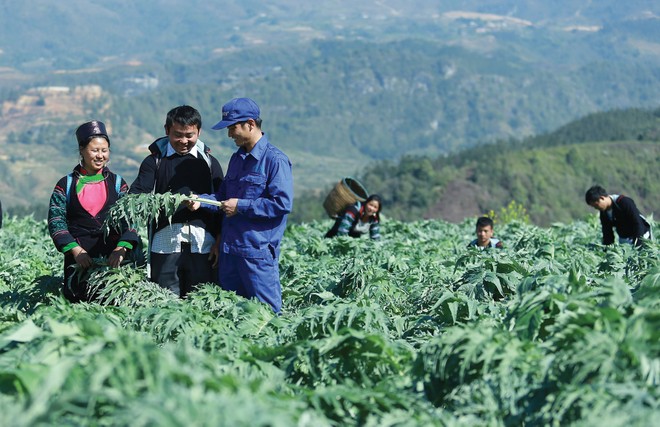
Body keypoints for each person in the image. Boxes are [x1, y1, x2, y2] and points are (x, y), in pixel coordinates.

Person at [187, 97, 293, 313]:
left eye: (233, 128)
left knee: (267, 316)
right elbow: (223, 197)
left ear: (250, 124)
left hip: (257, 254)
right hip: (230, 253)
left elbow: (281, 204)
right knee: (232, 314)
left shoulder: (275, 160)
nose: (229, 134)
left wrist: (241, 206)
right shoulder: (237, 159)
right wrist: (201, 201)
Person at [129, 105, 224, 298]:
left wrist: (220, 240)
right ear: (167, 131)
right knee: (165, 303)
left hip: (203, 244)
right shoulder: (153, 162)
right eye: (177, 135)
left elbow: (222, 202)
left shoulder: (210, 162)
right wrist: (170, 202)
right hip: (165, 243)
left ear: (199, 132)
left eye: (190, 135)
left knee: (201, 303)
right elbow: (137, 197)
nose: (184, 141)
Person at [48, 120, 139, 302]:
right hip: (79, 264)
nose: (100, 156)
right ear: (81, 150)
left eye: (104, 151)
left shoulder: (118, 183)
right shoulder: (65, 185)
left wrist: (121, 249)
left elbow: (130, 219)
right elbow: (56, 220)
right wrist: (75, 250)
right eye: (94, 150)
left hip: (113, 266)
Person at [585, 185, 651, 246]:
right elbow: (607, 234)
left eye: (596, 205)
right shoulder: (604, 213)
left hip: (642, 236)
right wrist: (607, 252)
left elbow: (638, 223)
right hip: (625, 240)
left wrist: (638, 244)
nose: (596, 208)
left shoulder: (624, 202)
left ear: (602, 198)